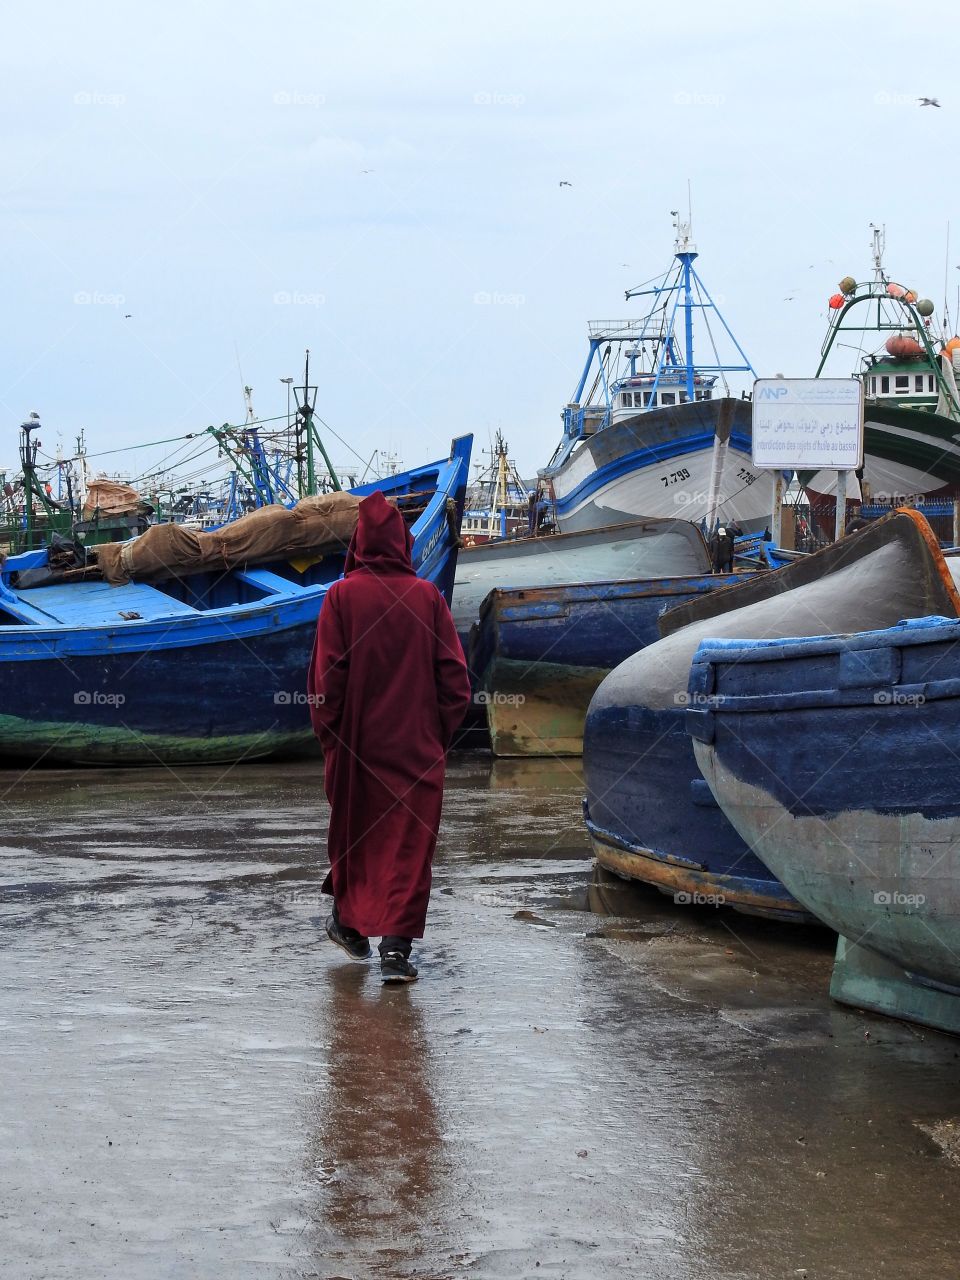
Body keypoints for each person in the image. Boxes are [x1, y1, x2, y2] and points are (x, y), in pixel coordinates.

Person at [307, 490, 472, 984]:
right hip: (416, 751)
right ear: (402, 543)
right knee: (407, 848)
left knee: (358, 838)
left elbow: (325, 683)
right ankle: (395, 953)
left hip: (359, 752)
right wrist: (434, 736)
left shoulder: (340, 596)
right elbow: (456, 683)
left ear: (359, 542)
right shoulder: (428, 598)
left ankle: (349, 924)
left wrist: (332, 741)